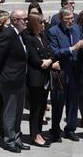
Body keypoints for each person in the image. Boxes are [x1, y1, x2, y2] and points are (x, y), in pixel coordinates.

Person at [0, 9, 30, 153]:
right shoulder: (7, 35)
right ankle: (9, 140)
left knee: (18, 113)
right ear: (15, 21)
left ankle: (17, 138)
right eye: (24, 19)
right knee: (10, 112)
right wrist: (1, 78)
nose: (26, 21)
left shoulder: (21, 34)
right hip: (10, 80)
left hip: (20, 79)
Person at [48, 7, 83, 142]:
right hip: (61, 72)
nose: (71, 21)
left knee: (73, 103)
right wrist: (73, 49)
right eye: (67, 19)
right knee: (58, 103)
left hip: (75, 72)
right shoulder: (53, 31)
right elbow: (55, 52)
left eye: (72, 18)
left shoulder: (77, 28)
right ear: (61, 19)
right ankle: (55, 130)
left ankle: (70, 129)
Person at [25, 13, 59, 147]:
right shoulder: (29, 37)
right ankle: (34, 134)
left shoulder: (43, 36)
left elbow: (51, 53)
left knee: (42, 107)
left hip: (45, 77)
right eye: (41, 23)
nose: (44, 25)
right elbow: (35, 60)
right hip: (35, 78)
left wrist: (49, 61)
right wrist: (50, 62)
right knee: (36, 108)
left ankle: (38, 132)